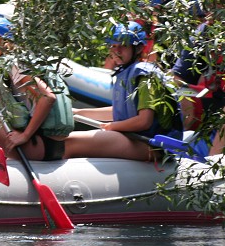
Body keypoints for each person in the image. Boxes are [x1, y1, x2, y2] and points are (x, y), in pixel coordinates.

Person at [63, 22, 183, 161]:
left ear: (138, 48)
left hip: (152, 146)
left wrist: (112, 126)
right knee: (69, 140)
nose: (117, 51)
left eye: (123, 45)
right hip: (134, 139)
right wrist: (78, 112)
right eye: (114, 46)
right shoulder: (127, 72)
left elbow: (144, 121)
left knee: (70, 142)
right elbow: (121, 111)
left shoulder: (145, 75)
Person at [0, 15, 71, 161]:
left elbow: (47, 97)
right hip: (45, 143)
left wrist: (25, 135)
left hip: (39, 143)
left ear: (7, 41)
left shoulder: (15, 66)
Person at [171, 0, 225, 131]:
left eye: (215, 1)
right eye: (205, 3)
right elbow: (177, 78)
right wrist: (189, 103)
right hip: (212, 108)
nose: (208, 8)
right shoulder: (202, 33)